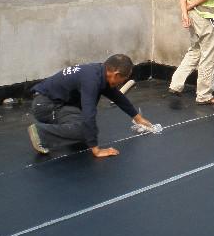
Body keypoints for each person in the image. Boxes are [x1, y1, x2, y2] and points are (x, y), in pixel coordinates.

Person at [27, 54, 155, 158]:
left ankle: (60, 128)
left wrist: (137, 118)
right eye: (124, 79)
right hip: (45, 106)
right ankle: (41, 133)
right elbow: (89, 114)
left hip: (55, 103)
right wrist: (96, 150)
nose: (122, 82)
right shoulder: (91, 81)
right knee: (85, 130)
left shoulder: (99, 72)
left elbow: (117, 96)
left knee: (86, 129)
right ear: (116, 74)